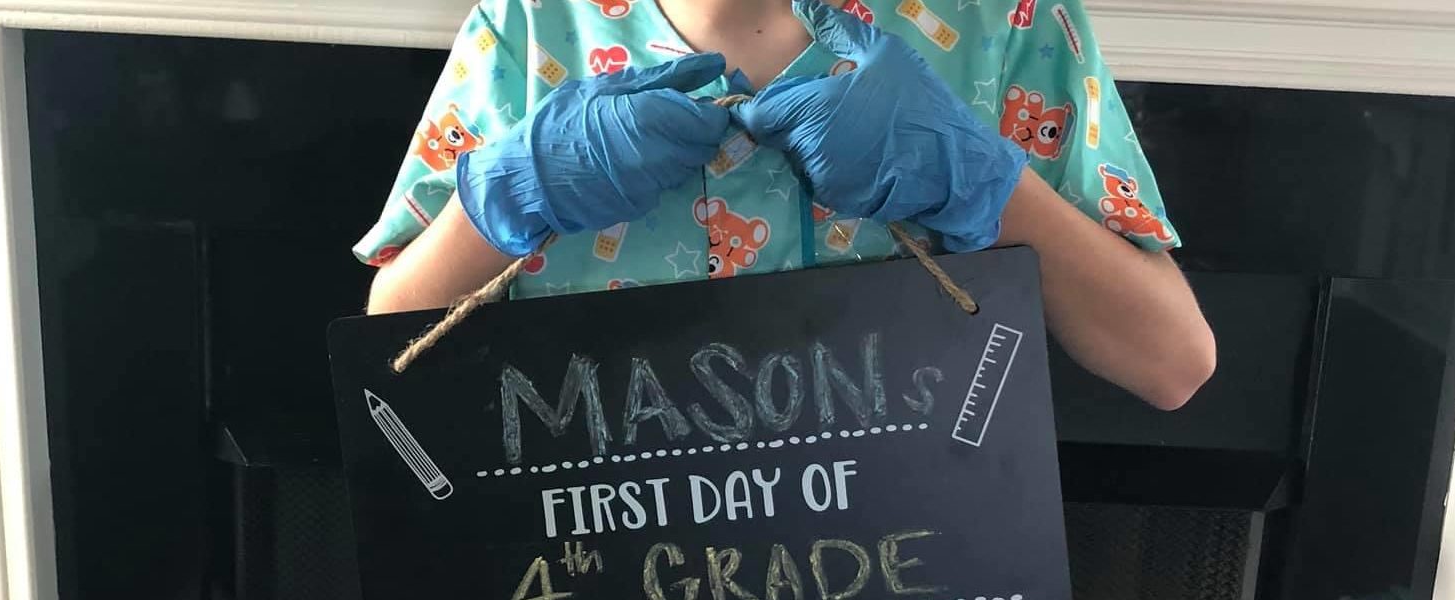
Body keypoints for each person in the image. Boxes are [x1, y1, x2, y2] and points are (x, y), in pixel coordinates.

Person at [357, 0, 1216, 410]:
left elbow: (1173, 364)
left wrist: (982, 182)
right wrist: (508, 193)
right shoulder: (532, 27)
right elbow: (384, 358)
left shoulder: (1002, 21)